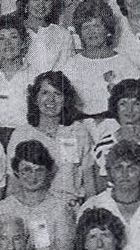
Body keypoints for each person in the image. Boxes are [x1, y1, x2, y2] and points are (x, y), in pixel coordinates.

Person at [6, 71, 96, 206]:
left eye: (57, 94)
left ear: (66, 99)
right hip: (34, 207)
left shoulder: (78, 131)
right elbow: (14, 183)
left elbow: (89, 181)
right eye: (45, 93)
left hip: (71, 207)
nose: (51, 100)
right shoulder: (21, 134)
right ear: (35, 99)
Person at [0, 140, 75, 250]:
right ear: (16, 171)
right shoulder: (4, 207)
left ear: (48, 172)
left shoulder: (59, 208)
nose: (33, 176)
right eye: (27, 170)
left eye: (39, 170)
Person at [58, 0, 140, 118]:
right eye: (86, 28)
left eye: (97, 26)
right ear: (80, 32)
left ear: (108, 29)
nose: (91, 32)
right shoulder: (71, 65)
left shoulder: (125, 64)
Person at [0, 13, 41, 136]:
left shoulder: (37, 77)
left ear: (23, 43)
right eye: (2, 38)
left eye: (13, 37)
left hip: (26, 137)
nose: (7, 43)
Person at [19, 0, 74, 73]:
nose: (41, 4)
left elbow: (65, 71)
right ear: (26, 3)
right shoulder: (14, 31)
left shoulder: (63, 35)